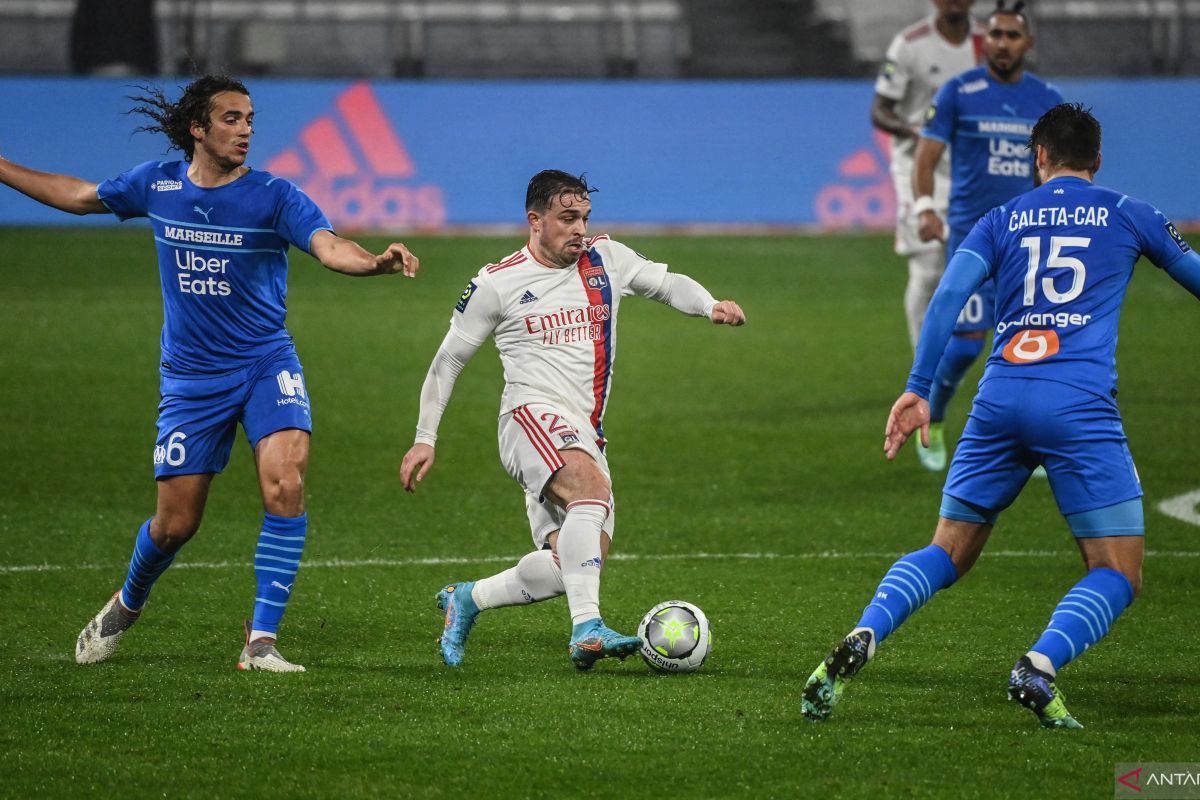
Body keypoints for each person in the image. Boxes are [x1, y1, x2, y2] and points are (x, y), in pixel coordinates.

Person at [0, 75, 420, 672]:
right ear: (198, 128)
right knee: (175, 524)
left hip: (265, 363)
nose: (246, 129)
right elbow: (79, 195)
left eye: (250, 119)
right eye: (231, 119)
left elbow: (329, 246)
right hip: (192, 380)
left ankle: (261, 642)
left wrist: (375, 261)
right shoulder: (157, 184)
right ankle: (128, 601)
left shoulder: (275, 195)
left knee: (287, 482)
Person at [801, 103, 1200, 729]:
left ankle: (864, 633)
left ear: (1038, 158)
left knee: (948, 551)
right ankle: (1038, 666)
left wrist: (919, 388)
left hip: (1000, 398)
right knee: (1117, 569)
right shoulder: (1130, 213)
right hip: (1077, 404)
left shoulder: (1001, 218)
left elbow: (949, 298)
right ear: (1096, 160)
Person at [399, 170, 745, 670]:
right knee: (589, 491)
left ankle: (468, 599)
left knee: (577, 561)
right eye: (567, 218)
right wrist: (424, 438)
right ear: (535, 221)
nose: (579, 229)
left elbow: (668, 285)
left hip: (586, 431)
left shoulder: (608, 258)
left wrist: (710, 305)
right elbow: (447, 360)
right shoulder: (497, 282)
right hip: (528, 417)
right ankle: (587, 629)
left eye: (584, 217)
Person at [910, 0, 1062, 470]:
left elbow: (1057, 172)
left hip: (1028, 240)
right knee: (966, 344)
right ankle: (932, 416)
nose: (1001, 43)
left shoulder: (1048, 100)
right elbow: (926, 157)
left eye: (1012, 36)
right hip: (974, 237)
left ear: (1027, 43)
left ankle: (1028, 440)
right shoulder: (960, 91)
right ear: (985, 40)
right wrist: (924, 207)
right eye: (994, 35)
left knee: (1033, 344)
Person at [871, 0, 984, 351]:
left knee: (988, 265)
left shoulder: (988, 43)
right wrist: (914, 132)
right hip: (918, 166)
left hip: (971, 167)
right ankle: (925, 369)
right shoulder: (910, 44)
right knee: (929, 267)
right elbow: (880, 110)